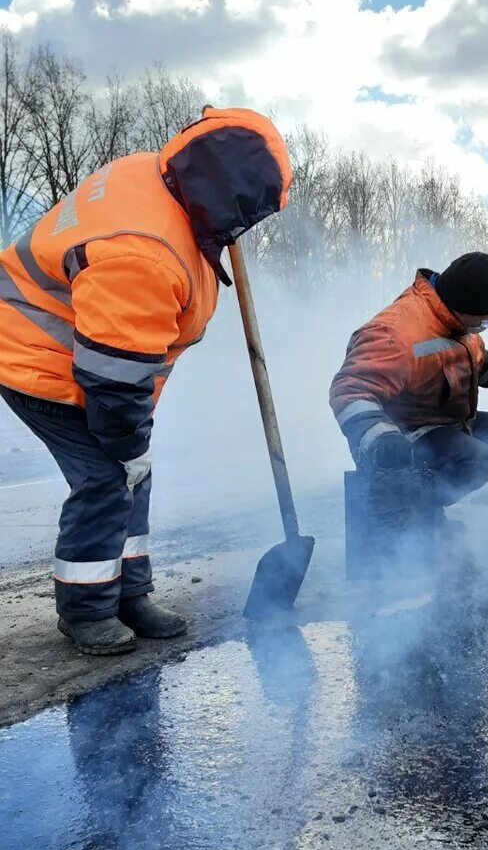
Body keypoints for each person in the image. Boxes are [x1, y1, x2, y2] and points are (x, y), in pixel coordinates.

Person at [0, 107, 292, 656]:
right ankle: (85, 609)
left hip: (82, 355)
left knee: (135, 472)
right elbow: (111, 380)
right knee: (108, 477)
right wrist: (127, 443)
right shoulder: (146, 251)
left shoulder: (159, 176)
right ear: (225, 189)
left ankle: (129, 593)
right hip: (39, 358)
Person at [330, 253, 488, 511]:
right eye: (484, 318)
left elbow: (462, 349)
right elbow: (351, 389)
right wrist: (380, 437)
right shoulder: (397, 331)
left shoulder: (456, 321)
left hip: (449, 422)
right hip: (406, 434)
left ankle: (424, 506)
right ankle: (413, 516)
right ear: (463, 307)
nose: (485, 324)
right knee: (476, 460)